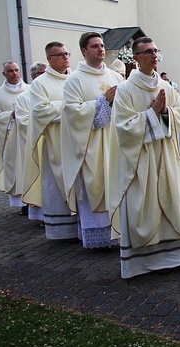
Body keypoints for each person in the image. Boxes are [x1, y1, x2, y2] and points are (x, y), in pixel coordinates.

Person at [108, 37, 180, 278]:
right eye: (147, 52)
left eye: (156, 51)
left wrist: (166, 113)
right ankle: (143, 262)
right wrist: (151, 113)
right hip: (142, 159)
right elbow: (122, 127)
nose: (154, 55)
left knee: (174, 199)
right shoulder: (126, 89)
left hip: (166, 155)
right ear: (136, 59)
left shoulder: (166, 87)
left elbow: (179, 116)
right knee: (143, 203)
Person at [61, 32, 123, 249]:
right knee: (94, 186)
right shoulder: (74, 80)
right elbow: (72, 113)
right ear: (84, 51)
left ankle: (119, 232)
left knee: (115, 183)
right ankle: (98, 239)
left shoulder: (115, 77)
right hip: (90, 145)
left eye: (102, 45)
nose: (101, 49)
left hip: (113, 142)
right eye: (95, 46)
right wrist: (103, 101)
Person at [24, 42, 79, 240]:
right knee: (57, 185)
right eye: (59, 55)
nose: (65, 57)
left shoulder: (75, 78)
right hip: (56, 142)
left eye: (66, 53)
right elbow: (40, 111)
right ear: (49, 59)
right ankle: (63, 230)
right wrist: (71, 107)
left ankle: (83, 226)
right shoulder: (41, 83)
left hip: (78, 140)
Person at [0, 61, 30, 215]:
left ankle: (33, 202)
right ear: (4, 74)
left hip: (27, 136)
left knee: (29, 167)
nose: (14, 73)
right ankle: (22, 202)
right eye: (10, 71)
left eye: (16, 70)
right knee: (15, 169)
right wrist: (10, 115)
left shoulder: (30, 90)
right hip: (10, 140)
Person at [14, 61, 46, 222]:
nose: (44, 76)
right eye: (40, 73)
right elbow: (23, 121)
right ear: (34, 77)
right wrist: (44, 122)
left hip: (52, 142)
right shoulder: (24, 97)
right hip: (36, 142)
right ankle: (40, 215)